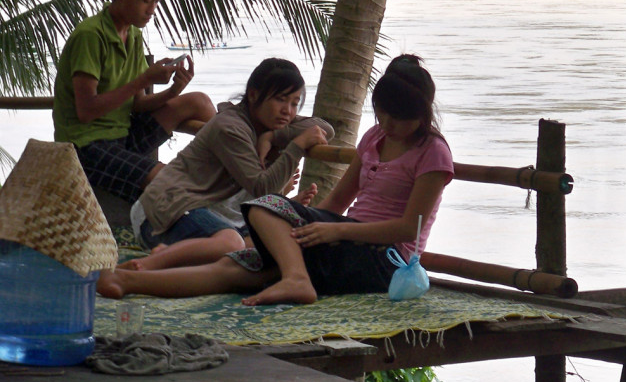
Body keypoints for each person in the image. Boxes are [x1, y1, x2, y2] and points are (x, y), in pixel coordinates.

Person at [98, 55, 454, 306]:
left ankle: (295, 279)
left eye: (400, 119)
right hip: (344, 238)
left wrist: (335, 231)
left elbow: (410, 229)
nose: (389, 125)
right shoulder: (375, 138)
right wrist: (299, 223)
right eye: (382, 114)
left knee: (252, 262)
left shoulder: (433, 152)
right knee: (252, 240)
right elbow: (336, 205)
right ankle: (128, 280)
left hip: (387, 259)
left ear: (421, 114)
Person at [120, 58, 331, 271]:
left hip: (210, 211)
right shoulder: (230, 127)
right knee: (232, 244)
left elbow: (325, 129)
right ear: (254, 95)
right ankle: (151, 262)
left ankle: (174, 254)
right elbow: (263, 188)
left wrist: (273, 136)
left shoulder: (269, 123)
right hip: (167, 209)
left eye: (295, 103)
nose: (288, 111)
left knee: (273, 243)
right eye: (280, 100)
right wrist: (296, 145)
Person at [52, 0, 215, 202]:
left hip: (123, 135)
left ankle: (239, 168)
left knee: (199, 102)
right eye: (146, 0)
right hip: (85, 146)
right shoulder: (91, 36)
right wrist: (144, 79)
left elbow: (137, 103)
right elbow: (85, 111)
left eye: (157, 2)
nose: (152, 10)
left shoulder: (133, 34)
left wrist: (174, 90)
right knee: (168, 178)